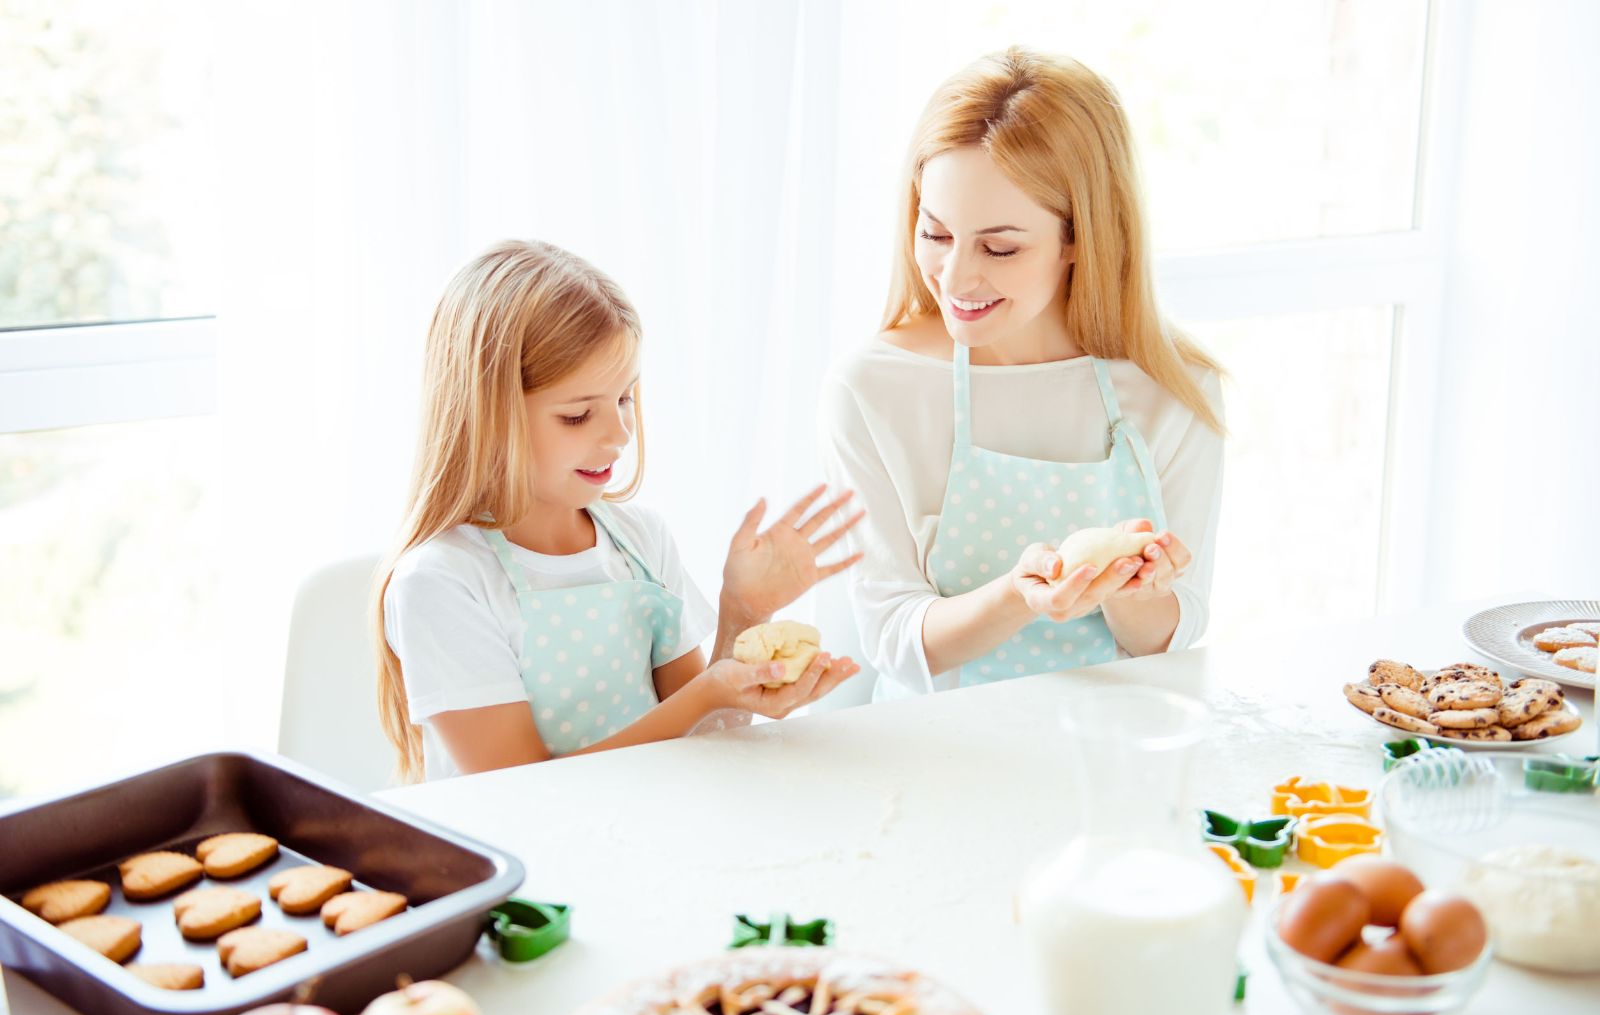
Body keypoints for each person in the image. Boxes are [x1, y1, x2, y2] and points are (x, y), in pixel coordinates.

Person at [819, 47, 1225, 700]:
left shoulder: (1176, 392)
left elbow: (1177, 632)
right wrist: (1020, 594)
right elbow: (894, 638)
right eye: (936, 233)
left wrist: (1132, 589)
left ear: (1080, 237)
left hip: (1112, 761)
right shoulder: (871, 390)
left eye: (999, 247)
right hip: (936, 766)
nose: (955, 278)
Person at [376, 240, 861, 781]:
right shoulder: (442, 582)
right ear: (487, 416)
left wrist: (743, 614)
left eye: (625, 399)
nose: (620, 432)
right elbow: (518, 789)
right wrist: (704, 694)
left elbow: (709, 739)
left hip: (647, 828)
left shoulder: (640, 541)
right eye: (578, 415)